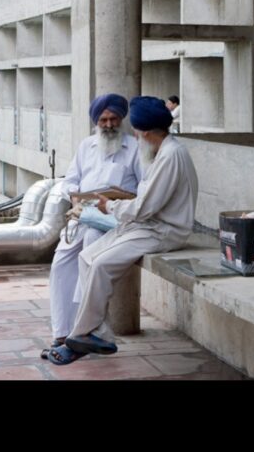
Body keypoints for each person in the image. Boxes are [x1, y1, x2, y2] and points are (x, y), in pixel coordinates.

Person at [47, 96, 198, 365]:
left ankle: (82, 335)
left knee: (101, 264)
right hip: (142, 224)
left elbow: (144, 206)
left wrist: (109, 206)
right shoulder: (161, 151)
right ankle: (96, 333)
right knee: (86, 257)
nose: (136, 136)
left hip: (162, 230)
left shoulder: (170, 156)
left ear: (146, 132)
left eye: (137, 131)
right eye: (103, 119)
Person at [42, 93, 144, 359]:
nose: (108, 124)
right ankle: (61, 332)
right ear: (96, 122)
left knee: (88, 252)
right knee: (61, 261)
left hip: (112, 219)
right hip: (81, 214)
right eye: (103, 120)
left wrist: (119, 199)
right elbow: (70, 180)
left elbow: (144, 191)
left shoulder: (135, 149)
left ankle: (84, 331)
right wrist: (75, 195)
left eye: (113, 119)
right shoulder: (86, 146)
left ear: (121, 119)